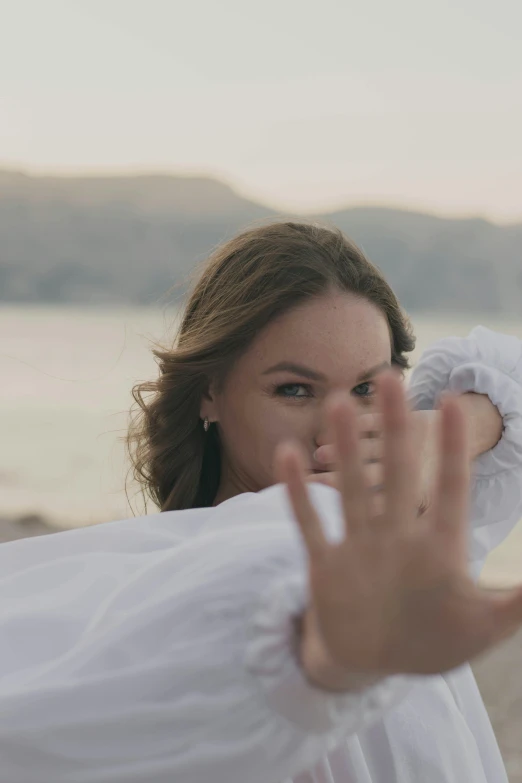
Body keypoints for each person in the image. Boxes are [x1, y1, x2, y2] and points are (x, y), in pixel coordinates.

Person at [0, 221, 521, 783]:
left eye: (367, 389)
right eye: (294, 390)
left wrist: (443, 434)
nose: (339, 431)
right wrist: (317, 670)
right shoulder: (202, 582)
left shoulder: (401, 525)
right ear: (209, 392)